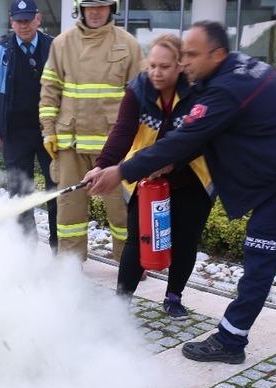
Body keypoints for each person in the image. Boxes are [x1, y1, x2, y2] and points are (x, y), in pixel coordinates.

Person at [85, 21, 276, 365]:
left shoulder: (226, 89)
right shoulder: (232, 70)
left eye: (191, 54)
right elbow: (197, 135)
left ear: (217, 54)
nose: (184, 61)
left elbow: (186, 137)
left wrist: (122, 171)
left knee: (260, 254)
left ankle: (230, 340)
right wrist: (144, 163)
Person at [83, 34, 213, 319]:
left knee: (185, 239)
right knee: (138, 239)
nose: (156, 72)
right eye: (152, 65)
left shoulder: (198, 92)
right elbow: (122, 131)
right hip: (145, 176)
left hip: (192, 176)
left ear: (180, 65)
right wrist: (102, 165)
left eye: (164, 66)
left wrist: (172, 164)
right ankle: (121, 303)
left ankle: (174, 296)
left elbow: (203, 138)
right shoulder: (137, 90)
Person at [39, 0, 143, 261]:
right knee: (69, 211)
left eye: (102, 6)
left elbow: (142, 97)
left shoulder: (128, 44)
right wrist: (49, 132)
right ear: (80, 8)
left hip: (114, 146)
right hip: (70, 144)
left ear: (112, 8)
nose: (96, 12)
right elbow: (49, 92)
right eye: (90, 6)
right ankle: (70, 265)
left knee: (121, 210)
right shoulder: (61, 44)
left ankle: (128, 262)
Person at [0, 0, 57, 248]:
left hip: (49, 130)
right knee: (19, 190)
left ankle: (59, 245)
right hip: (15, 132)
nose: (23, 25)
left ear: (38, 19)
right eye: (18, 21)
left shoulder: (54, 47)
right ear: (11, 22)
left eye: (28, 19)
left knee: (56, 188)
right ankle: (27, 247)